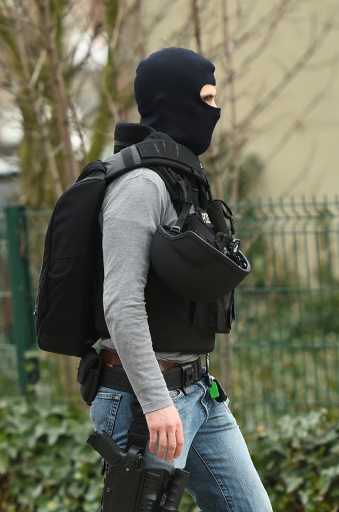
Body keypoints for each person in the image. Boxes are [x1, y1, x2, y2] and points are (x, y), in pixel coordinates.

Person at [87, 47, 272, 511]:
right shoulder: (139, 185)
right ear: (175, 101)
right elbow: (122, 304)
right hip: (142, 401)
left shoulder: (182, 176)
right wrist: (154, 403)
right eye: (207, 98)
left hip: (199, 394)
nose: (215, 111)